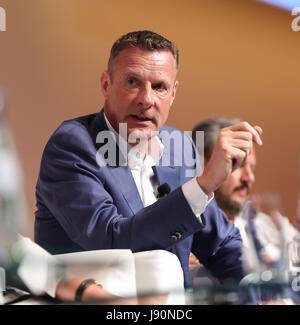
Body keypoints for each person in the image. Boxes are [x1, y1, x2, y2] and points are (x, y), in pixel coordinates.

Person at [34, 30, 263, 292]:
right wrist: (203, 185)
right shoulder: (72, 145)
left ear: (173, 93)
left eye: (159, 87)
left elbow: (222, 244)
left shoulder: (179, 147)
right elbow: (112, 241)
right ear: (106, 84)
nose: (146, 99)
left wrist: (265, 293)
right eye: (132, 82)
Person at [191, 117, 299, 270]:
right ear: (202, 166)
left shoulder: (266, 224)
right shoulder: (183, 236)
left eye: (252, 168)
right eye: (238, 165)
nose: (249, 178)